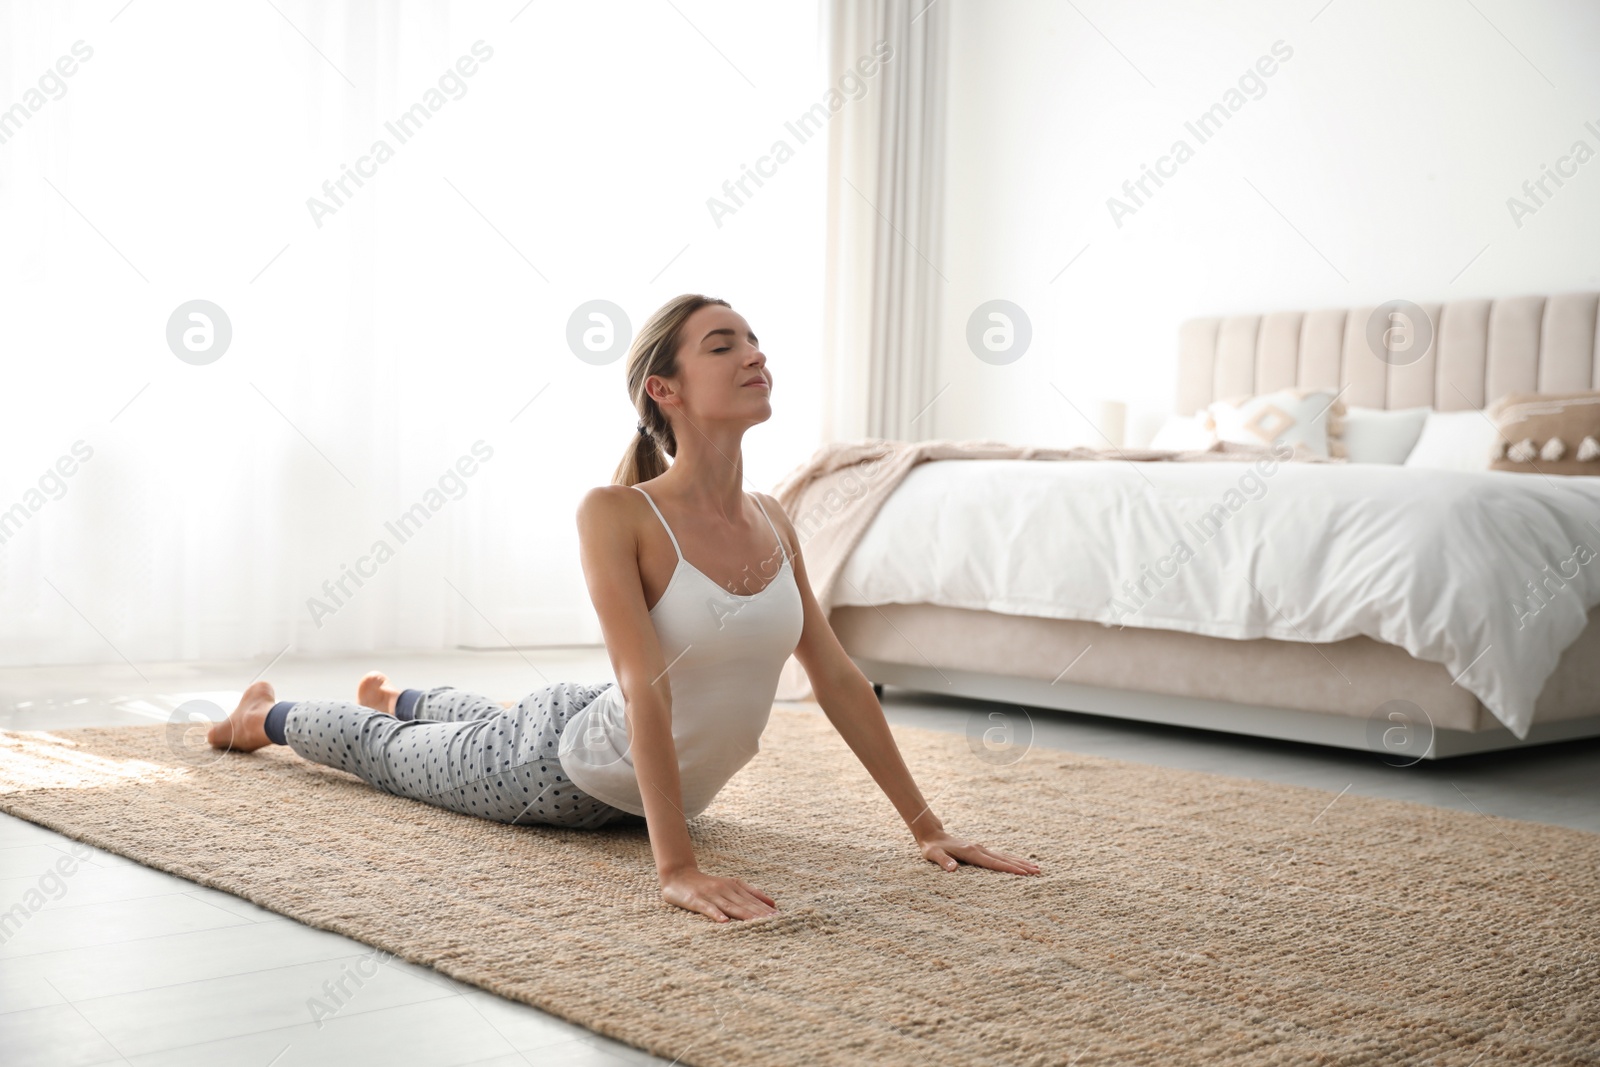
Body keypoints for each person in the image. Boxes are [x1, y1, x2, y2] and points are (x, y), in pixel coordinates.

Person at [207, 292, 1041, 923]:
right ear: (664, 389)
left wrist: (927, 827)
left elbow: (836, 676)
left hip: (592, 727)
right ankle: (264, 716)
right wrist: (675, 868)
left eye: (755, 340)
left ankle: (405, 694)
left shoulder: (775, 518)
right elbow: (648, 687)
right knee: (395, 758)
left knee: (487, 714)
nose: (755, 354)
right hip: (558, 770)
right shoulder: (617, 513)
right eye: (725, 344)